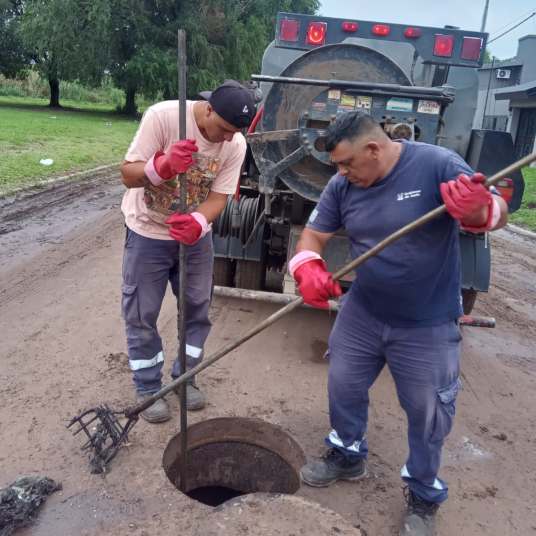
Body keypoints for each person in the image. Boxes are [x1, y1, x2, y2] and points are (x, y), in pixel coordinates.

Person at [288, 112, 508, 536]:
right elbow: (313, 236)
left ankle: (424, 495)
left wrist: (481, 211)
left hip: (426, 322)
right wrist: (307, 266)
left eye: (347, 163)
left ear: (374, 148)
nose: (341, 173)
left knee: (427, 413)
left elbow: (496, 211)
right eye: (337, 166)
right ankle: (348, 453)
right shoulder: (342, 186)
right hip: (363, 311)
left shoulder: (437, 164)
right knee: (343, 385)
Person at [120, 80, 255, 423]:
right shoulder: (164, 117)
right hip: (147, 232)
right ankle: (149, 388)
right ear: (208, 109)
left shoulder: (235, 143)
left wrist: (198, 220)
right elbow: (127, 174)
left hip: (194, 241)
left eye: (234, 132)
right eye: (224, 129)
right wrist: (161, 166)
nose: (227, 138)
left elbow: (219, 197)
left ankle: (185, 378)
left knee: (197, 306)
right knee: (142, 313)